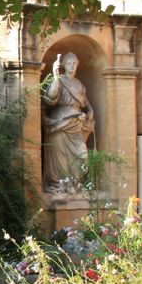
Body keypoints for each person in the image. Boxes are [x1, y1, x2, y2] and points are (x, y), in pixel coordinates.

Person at [42, 52, 95, 193]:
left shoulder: (79, 84)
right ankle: (62, 185)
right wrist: (55, 76)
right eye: (69, 63)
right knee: (61, 158)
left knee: (82, 155)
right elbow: (50, 96)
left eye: (74, 63)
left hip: (76, 122)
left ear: (77, 65)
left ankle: (76, 183)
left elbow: (86, 103)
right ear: (64, 65)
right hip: (60, 122)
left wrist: (89, 113)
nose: (72, 66)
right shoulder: (59, 80)